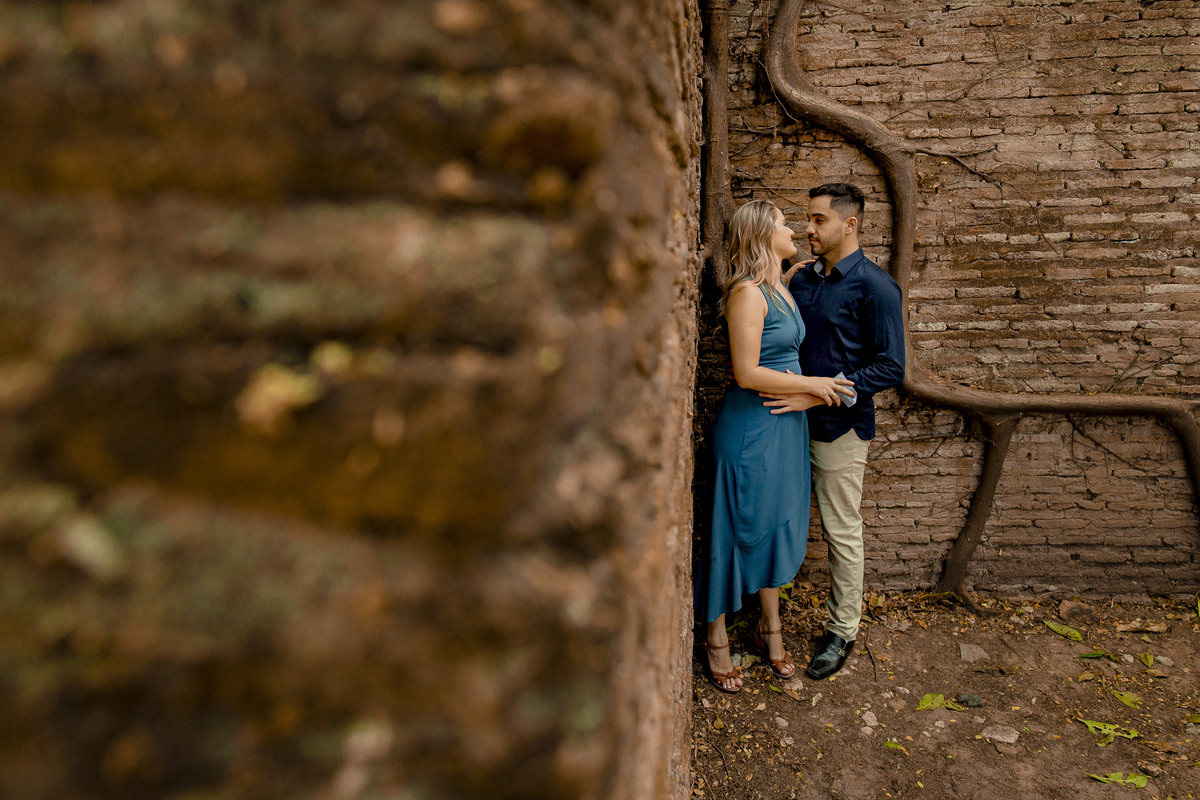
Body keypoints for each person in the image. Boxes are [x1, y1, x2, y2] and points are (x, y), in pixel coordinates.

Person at [697, 199, 855, 693]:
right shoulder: (746, 293)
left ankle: (771, 628)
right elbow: (746, 373)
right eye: (786, 225)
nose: (797, 231)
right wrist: (814, 386)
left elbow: (780, 340)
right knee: (737, 526)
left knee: (774, 525)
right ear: (764, 235)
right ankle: (716, 637)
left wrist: (800, 269)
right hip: (752, 428)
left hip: (784, 427)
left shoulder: (778, 287)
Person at [761, 183, 905, 681]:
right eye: (806, 218)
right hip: (784, 424)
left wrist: (817, 393)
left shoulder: (876, 287)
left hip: (838, 427)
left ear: (851, 225)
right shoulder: (802, 279)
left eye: (819, 220)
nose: (809, 228)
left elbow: (890, 368)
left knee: (841, 529)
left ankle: (842, 629)